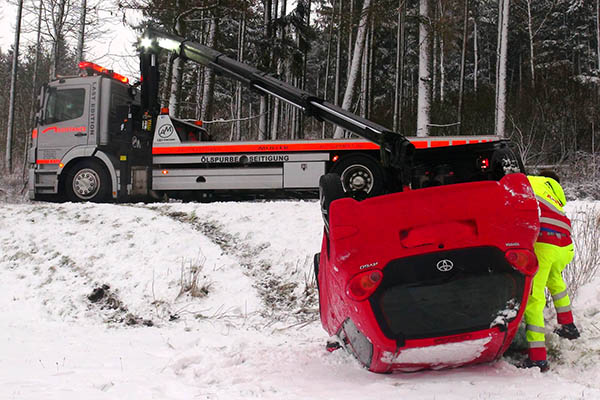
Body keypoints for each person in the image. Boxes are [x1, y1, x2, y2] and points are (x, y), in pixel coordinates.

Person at [521, 169, 580, 372]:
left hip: (545, 244)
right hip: (565, 245)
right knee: (555, 281)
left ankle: (537, 358)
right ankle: (568, 326)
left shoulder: (526, 181)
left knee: (533, 300)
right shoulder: (553, 191)